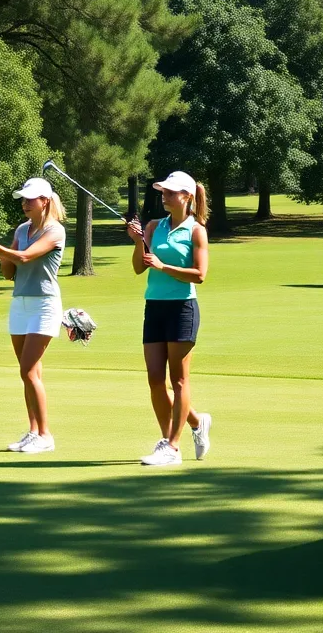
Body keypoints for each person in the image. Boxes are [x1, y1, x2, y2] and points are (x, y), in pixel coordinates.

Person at [126, 171, 212, 467]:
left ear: (187, 196)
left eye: (171, 192)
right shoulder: (153, 226)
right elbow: (139, 268)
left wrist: (162, 266)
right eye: (163, 192)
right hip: (155, 306)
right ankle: (191, 426)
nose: (165, 196)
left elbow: (200, 275)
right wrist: (139, 243)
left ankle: (172, 447)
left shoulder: (196, 230)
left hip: (182, 308)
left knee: (178, 379)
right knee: (154, 379)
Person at [0, 177, 67, 454]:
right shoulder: (23, 229)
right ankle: (33, 431)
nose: (25, 203)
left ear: (45, 201)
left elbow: (26, 258)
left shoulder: (55, 231)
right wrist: (4, 254)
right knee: (28, 373)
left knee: (28, 371)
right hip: (20, 304)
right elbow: (9, 273)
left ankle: (46, 435)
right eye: (24, 199)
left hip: (44, 305)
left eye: (31, 199)